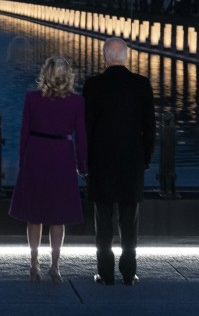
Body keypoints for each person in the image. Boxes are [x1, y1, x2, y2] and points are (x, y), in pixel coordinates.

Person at [82, 37, 155, 286]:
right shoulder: (141, 85)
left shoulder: (92, 86)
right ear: (127, 56)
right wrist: (145, 159)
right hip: (130, 162)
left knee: (103, 221)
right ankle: (128, 272)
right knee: (129, 220)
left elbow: (86, 128)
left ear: (104, 56)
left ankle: (105, 272)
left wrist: (84, 161)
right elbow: (150, 128)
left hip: (100, 162)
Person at [8, 56, 87, 285]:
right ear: (67, 75)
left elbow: (24, 132)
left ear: (45, 73)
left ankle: (34, 264)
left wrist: (23, 160)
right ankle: (55, 266)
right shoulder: (76, 102)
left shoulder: (32, 98)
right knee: (58, 216)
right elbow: (81, 136)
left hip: (36, 154)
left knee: (34, 216)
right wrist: (82, 163)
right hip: (62, 156)